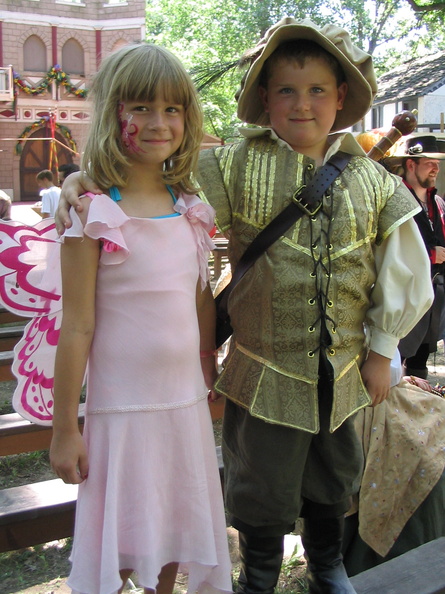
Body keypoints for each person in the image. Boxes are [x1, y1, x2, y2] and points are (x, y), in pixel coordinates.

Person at [56, 19, 433, 594]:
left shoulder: (373, 181)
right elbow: (153, 184)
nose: (302, 104)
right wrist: (82, 178)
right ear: (265, 98)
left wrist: (383, 348)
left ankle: (325, 565)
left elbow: (406, 268)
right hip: (260, 370)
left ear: (341, 100)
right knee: (262, 479)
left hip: (343, 370)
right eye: (286, 90)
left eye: (316, 92)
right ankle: (259, 574)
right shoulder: (232, 163)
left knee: (334, 473)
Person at [36, 43, 232, 594]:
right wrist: (63, 429)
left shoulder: (189, 205)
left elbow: (199, 296)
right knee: (122, 536)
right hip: (122, 408)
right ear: (114, 114)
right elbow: (76, 326)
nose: (157, 122)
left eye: (172, 109)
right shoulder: (93, 211)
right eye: (140, 107)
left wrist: (206, 364)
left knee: (172, 528)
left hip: (182, 401)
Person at [342, 351, 445, 575]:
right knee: (420, 460)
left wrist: (396, 376)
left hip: (389, 393)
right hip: (353, 404)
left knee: (434, 447)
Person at [384, 135, 445, 378]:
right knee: (395, 360)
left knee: (421, 359)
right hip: (402, 297)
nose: (436, 168)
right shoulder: (394, 200)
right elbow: (388, 246)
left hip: (432, 296)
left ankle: (420, 412)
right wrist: (431, 255)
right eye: (430, 162)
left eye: (438, 163)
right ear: (411, 165)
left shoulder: (437, 203)